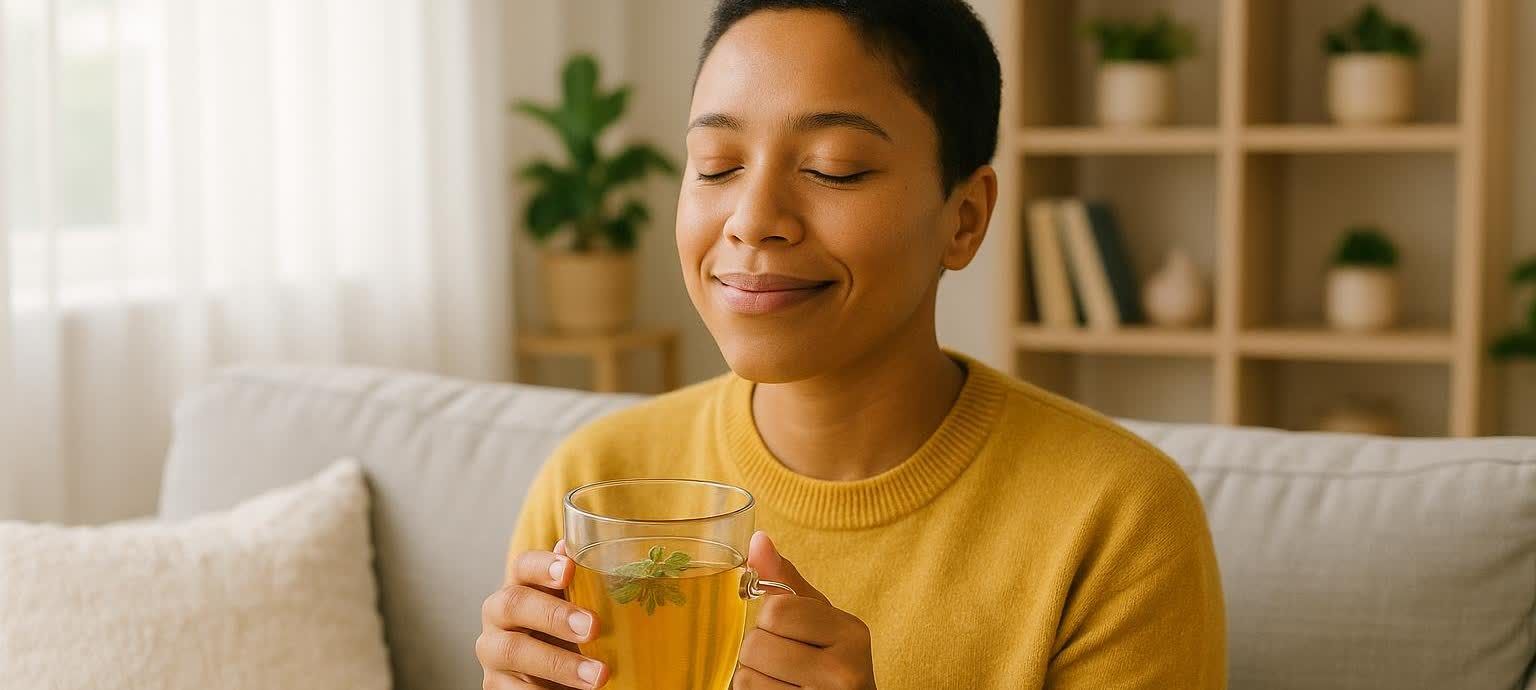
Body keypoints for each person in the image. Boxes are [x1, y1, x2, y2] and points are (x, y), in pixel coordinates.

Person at [478, 0, 1226, 687]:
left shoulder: (1118, 519)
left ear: (963, 218)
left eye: (833, 167)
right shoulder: (598, 483)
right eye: (718, 166)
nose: (752, 217)